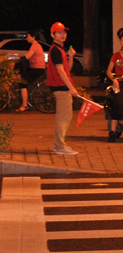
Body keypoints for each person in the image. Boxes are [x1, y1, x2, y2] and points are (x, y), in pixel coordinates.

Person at [46, 22, 80, 155]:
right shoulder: (55, 50)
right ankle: (60, 146)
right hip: (60, 88)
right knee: (63, 117)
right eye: (59, 33)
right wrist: (71, 88)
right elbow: (60, 72)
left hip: (61, 87)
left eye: (64, 32)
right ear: (52, 35)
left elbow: (67, 70)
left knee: (66, 116)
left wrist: (71, 57)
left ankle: (58, 144)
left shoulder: (60, 50)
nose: (63, 35)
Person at [17, 29, 45, 112]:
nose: (27, 38)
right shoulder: (36, 45)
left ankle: (24, 105)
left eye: (28, 36)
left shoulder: (35, 46)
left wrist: (17, 62)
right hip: (36, 68)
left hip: (37, 69)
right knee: (22, 78)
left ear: (33, 37)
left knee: (23, 84)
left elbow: (28, 56)